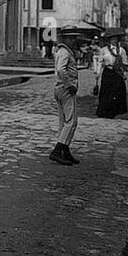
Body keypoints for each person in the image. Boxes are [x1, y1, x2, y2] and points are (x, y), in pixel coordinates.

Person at [50, 34, 80, 163]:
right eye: (71, 38)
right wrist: (69, 85)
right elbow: (60, 70)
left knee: (63, 122)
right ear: (65, 39)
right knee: (71, 122)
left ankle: (65, 151)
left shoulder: (62, 51)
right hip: (65, 89)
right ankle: (57, 151)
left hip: (59, 88)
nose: (74, 41)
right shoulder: (65, 52)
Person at [96, 38, 128, 119]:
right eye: (112, 39)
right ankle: (103, 110)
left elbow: (125, 63)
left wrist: (124, 74)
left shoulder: (121, 50)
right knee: (106, 91)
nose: (114, 41)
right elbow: (100, 62)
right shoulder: (104, 50)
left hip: (117, 73)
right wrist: (98, 73)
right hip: (107, 72)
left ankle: (113, 111)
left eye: (116, 39)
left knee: (116, 92)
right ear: (109, 40)